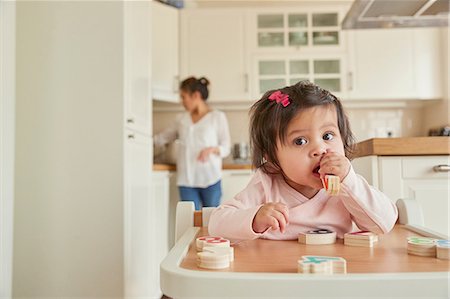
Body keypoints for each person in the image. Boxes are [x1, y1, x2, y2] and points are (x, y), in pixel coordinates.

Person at [208, 81, 398, 241]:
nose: (320, 149)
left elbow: (385, 223)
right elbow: (217, 223)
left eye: (328, 135)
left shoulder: (346, 186)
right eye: (300, 141)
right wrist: (255, 219)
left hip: (335, 272)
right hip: (281, 274)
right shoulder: (267, 184)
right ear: (271, 157)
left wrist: (350, 181)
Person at [154, 77, 231, 210]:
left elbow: (226, 147)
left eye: (183, 97)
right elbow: (163, 138)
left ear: (196, 95)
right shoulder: (181, 119)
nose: (182, 101)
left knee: (211, 223)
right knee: (189, 221)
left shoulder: (217, 117)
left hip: (210, 178)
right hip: (186, 180)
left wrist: (211, 150)